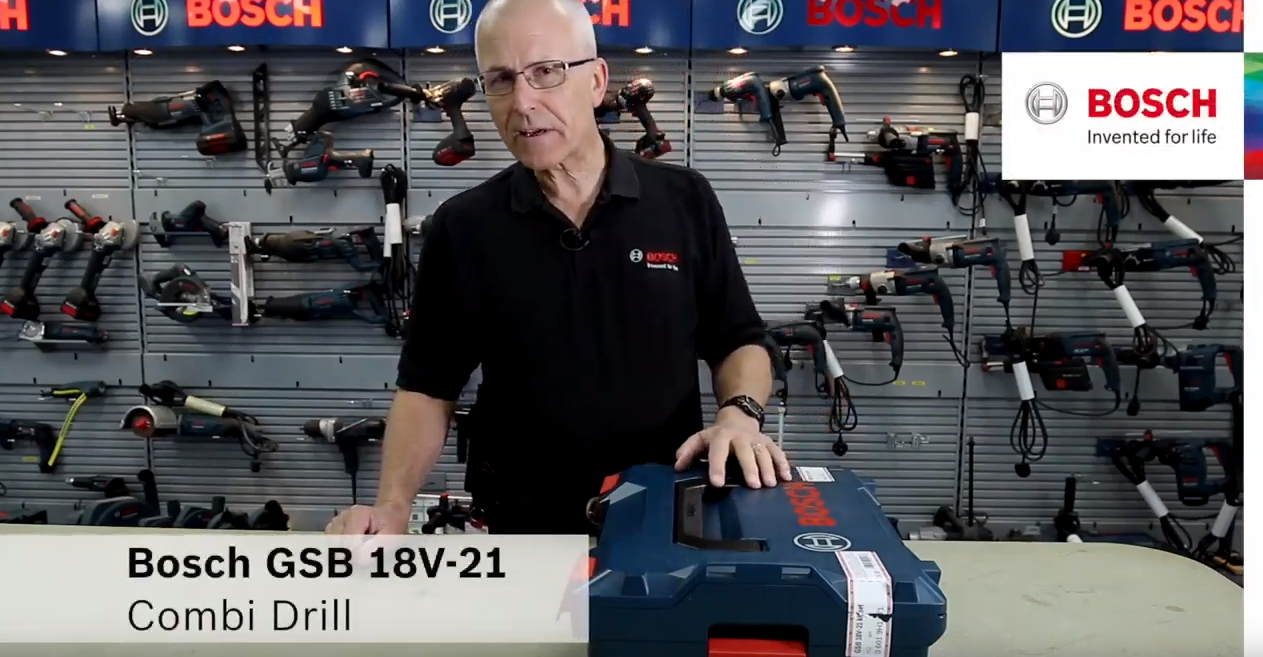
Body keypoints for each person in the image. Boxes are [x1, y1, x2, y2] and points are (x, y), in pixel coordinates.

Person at [326, 0, 790, 536]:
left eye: (547, 71)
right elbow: (428, 386)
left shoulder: (684, 200)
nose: (523, 102)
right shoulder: (464, 226)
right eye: (501, 79)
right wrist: (391, 506)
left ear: (596, 81)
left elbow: (739, 339)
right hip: (521, 527)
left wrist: (738, 414)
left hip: (663, 513)